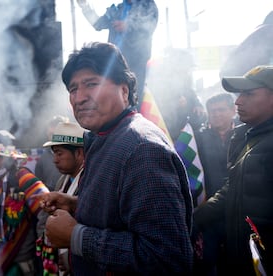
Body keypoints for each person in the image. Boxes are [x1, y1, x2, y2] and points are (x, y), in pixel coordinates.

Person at [35, 42, 193, 274]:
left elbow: (166, 257)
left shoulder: (142, 149)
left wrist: (76, 236)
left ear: (124, 90)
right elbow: (122, 216)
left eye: (92, 84)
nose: (79, 98)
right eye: (73, 89)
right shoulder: (105, 138)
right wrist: (77, 206)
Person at [194, 65, 273, 275]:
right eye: (239, 94)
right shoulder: (248, 138)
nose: (238, 101)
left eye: (248, 94)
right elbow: (232, 190)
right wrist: (194, 218)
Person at [0, 135, 49, 275]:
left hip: (19, 265)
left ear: (0, 158)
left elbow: (46, 209)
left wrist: (45, 249)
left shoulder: (22, 177)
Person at [76, 0, 158, 109]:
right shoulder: (117, 8)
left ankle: (133, 120)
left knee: (133, 95)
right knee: (114, 93)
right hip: (115, 60)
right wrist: (84, 5)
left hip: (136, 60)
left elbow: (150, 24)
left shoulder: (147, 4)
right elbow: (98, 24)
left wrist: (127, 26)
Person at [193, 93, 238, 275]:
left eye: (221, 110)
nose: (217, 114)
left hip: (237, 210)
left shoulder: (246, 134)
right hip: (207, 211)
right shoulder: (198, 138)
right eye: (212, 111)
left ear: (233, 110)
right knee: (208, 262)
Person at [36, 121, 85, 275]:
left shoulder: (89, 181)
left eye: (59, 153)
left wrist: (72, 258)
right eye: (54, 154)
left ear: (78, 153)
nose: (55, 160)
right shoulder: (62, 181)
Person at [34, 115, 70, 191]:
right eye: (51, 134)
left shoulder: (73, 154)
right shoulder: (44, 157)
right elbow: (38, 183)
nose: (55, 160)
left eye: (55, 134)